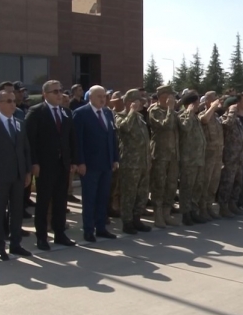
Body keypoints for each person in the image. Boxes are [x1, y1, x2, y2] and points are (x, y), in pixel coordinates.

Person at [25, 80, 78, 251]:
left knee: (61, 201)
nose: (59, 94)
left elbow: (71, 139)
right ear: (45, 94)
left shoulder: (66, 113)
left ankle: (60, 233)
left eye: (61, 91)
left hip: (63, 165)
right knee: (43, 202)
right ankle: (41, 237)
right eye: (55, 91)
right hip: (44, 165)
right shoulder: (36, 112)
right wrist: (34, 162)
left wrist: (73, 161)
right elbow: (30, 141)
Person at [0, 90, 33, 261]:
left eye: (13, 101)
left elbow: (25, 149)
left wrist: (27, 172)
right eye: (8, 101)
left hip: (18, 175)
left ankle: (16, 244)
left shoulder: (20, 123)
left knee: (17, 211)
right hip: (0, 176)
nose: (13, 104)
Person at [74, 85, 120, 242]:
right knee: (89, 198)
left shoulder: (107, 112)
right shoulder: (81, 114)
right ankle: (88, 230)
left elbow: (112, 138)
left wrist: (114, 158)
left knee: (103, 197)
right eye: (99, 96)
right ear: (91, 97)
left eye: (104, 96)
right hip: (89, 164)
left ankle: (101, 228)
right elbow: (77, 141)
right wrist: (80, 162)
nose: (103, 99)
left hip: (106, 163)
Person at [115, 89, 153, 234]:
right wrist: (131, 112)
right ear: (130, 102)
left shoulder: (139, 118)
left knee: (142, 193)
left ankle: (136, 219)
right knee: (129, 194)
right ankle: (127, 222)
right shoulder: (120, 116)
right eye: (138, 101)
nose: (142, 104)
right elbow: (124, 128)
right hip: (130, 164)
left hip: (143, 163)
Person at [148, 85, 181, 228]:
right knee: (159, 184)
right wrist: (170, 109)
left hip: (173, 153)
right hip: (160, 153)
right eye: (170, 95)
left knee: (172, 184)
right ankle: (158, 215)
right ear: (163, 96)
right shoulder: (154, 111)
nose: (172, 98)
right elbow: (165, 126)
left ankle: (167, 213)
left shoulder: (172, 111)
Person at [177, 91, 207, 225]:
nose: (198, 105)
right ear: (192, 103)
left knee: (197, 187)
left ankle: (193, 211)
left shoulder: (195, 117)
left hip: (198, 158)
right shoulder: (183, 116)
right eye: (197, 102)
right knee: (187, 187)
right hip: (188, 159)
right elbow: (185, 129)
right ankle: (186, 213)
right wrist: (188, 112)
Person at [198, 92, 224, 220]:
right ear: (208, 101)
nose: (217, 102)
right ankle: (201, 208)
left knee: (214, 182)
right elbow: (204, 120)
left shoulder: (217, 116)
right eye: (214, 100)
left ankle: (209, 206)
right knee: (205, 182)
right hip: (207, 155)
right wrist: (212, 107)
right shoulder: (203, 114)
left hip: (217, 155)